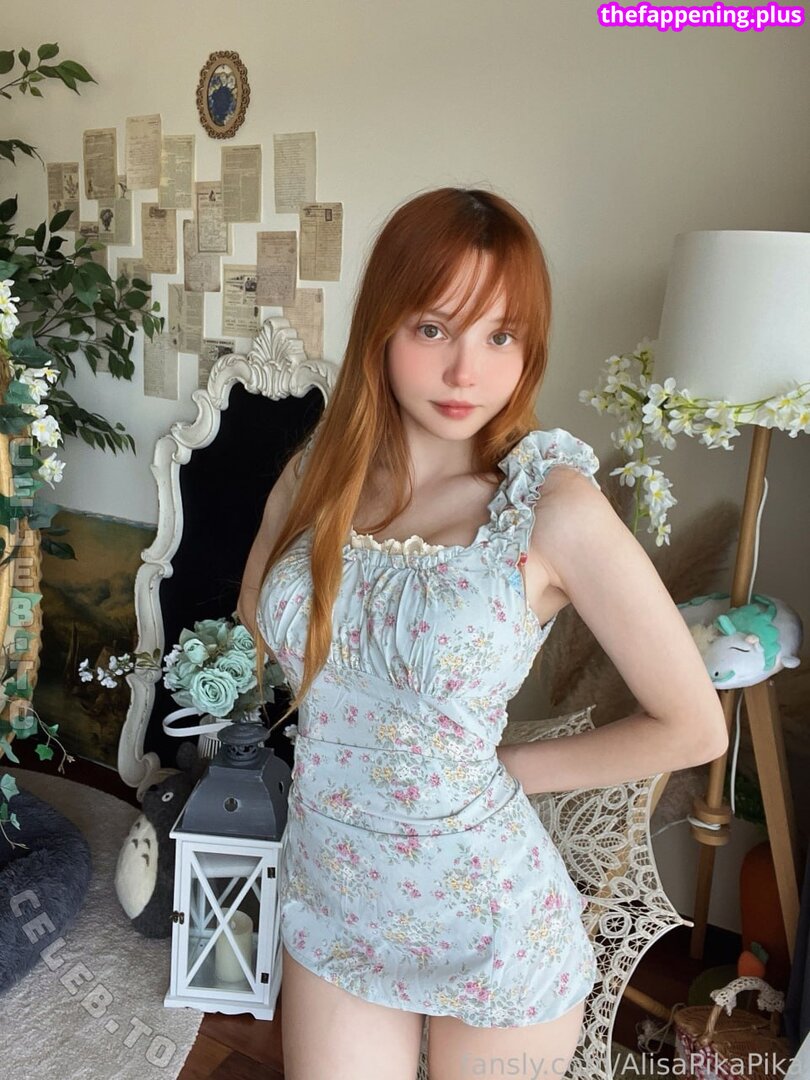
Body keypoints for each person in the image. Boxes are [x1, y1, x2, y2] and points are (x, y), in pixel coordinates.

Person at [237, 187, 728, 1080]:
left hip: (490, 923)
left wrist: (503, 770)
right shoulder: (319, 471)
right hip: (335, 895)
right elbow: (257, 617)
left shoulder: (549, 507)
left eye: (501, 337)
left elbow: (694, 726)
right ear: (383, 327)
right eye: (434, 328)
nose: (467, 372)